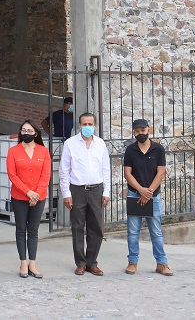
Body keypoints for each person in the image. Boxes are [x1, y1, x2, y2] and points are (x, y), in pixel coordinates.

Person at [60, 112, 110, 276]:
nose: (87, 127)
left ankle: (92, 262)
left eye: (90, 124)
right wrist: (66, 193)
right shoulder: (70, 144)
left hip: (96, 189)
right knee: (78, 227)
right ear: (79, 126)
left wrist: (106, 192)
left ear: (95, 125)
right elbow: (64, 171)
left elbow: (106, 169)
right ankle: (80, 262)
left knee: (97, 227)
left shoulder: (100, 144)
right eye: (84, 124)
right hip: (77, 189)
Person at [124, 118, 173, 276]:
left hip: (153, 196)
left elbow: (161, 172)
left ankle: (162, 263)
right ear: (134, 132)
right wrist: (140, 190)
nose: (140, 133)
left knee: (156, 231)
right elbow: (127, 173)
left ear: (148, 130)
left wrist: (149, 191)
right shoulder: (130, 150)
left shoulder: (158, 149)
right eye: (137, 131)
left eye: (142, 130)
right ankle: (132, 262)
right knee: (132, 232)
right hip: (134, 195)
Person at [6, 120, 51, 279]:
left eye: (29, 130)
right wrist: (28, 193)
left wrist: (36, 194)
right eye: (23, 130)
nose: (26, 133)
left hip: (39, 197)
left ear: (35, 134)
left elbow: (46, 175)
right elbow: (13, 175)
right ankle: (23, 262)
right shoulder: (13, 151)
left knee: (33, 231)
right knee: (21, 229)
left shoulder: (43, 151)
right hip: (19, 196)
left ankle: (33, 262)